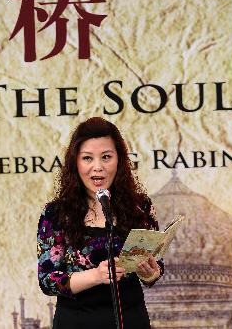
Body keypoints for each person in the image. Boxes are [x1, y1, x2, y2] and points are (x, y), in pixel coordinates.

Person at [37, 117, 163, 329]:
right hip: (77, 321)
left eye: (106, 157)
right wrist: (96, 276)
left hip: (131, 319)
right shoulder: (56, 213)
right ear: (75, 162)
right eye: (87, 158)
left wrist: (151, 273)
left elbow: (155, 265)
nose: (98, 167)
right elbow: (48, 280)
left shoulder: (140, 207)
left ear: (119, 160)